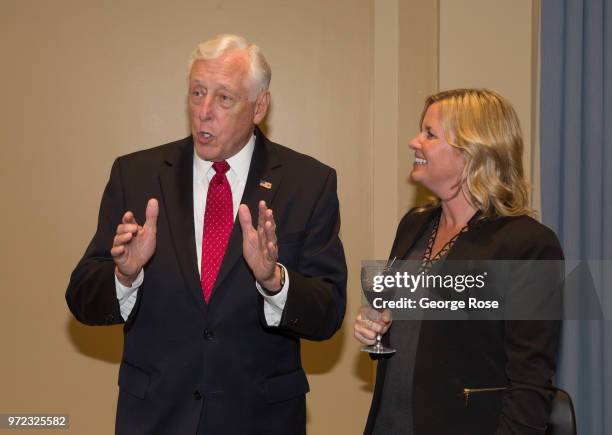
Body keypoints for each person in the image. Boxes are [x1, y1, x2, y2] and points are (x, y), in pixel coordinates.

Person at [66, 34, 347, 435]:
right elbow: (81, 298)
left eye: (224, 98)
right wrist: (124, 276)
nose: (204, 112)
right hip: (155, 417)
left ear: (259, 106)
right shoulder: (137, 174)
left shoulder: (308, 182)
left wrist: (274, 281)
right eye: (197, 93)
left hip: (260, 419)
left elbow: (328, 312)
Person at [354, 89, 563, 435]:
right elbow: (406, 335)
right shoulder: (414, 225)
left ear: (473, 151)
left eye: (429, 133)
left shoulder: (528, 244)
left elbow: (530, 385)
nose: (414, 142)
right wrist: (373, 326)